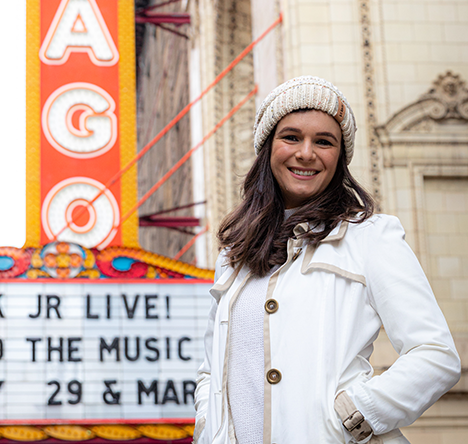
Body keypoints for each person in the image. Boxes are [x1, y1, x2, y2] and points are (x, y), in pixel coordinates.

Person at [194, 76, 460, 444]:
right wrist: (208, 426)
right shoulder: (234, 254)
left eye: (324, 141)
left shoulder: (370, 237)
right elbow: (212, 370)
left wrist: (354, 415)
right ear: (267, 147)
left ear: (340, 157)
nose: (306, 153)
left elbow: (436, 355)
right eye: (291, 137)